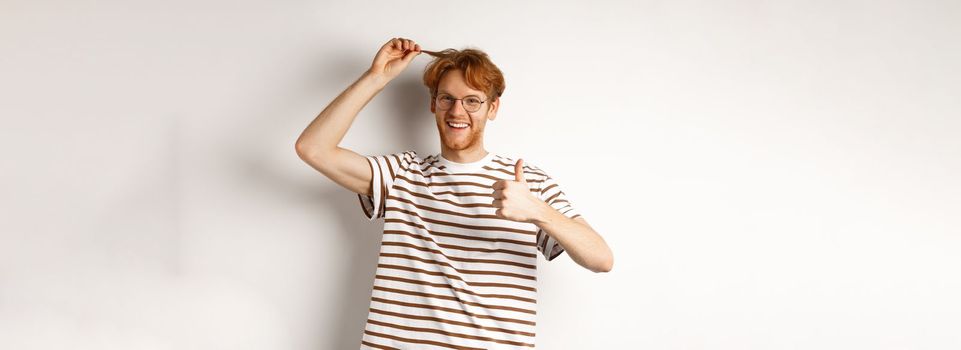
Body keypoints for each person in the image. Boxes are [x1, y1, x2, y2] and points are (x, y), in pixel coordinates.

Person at [296, 37, 613, 349]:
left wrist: (537, 211)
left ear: (493, 107)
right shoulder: (402, 174)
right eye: (447, 98)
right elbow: (313, 148)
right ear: (433, 104)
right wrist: (376, 77)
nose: (457, 111)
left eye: (472, 100)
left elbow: (601, 258)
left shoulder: (527, 185)